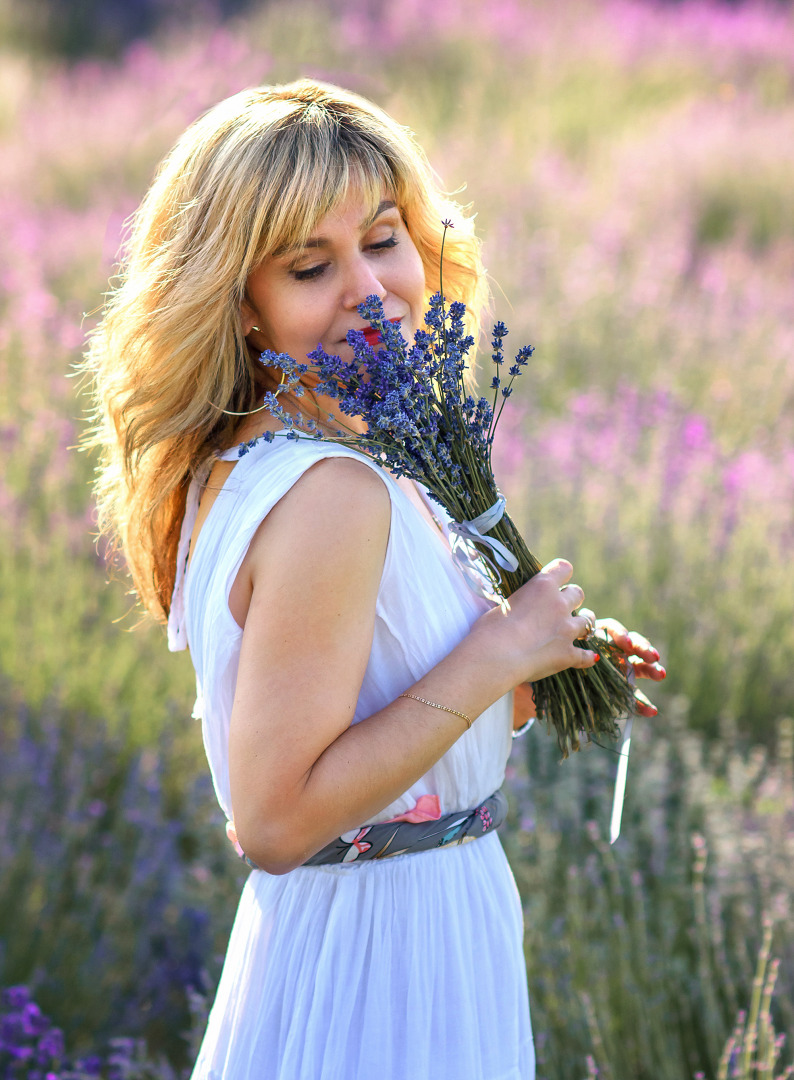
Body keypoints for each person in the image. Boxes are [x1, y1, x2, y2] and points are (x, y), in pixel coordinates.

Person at [84, 78, 665, 1080]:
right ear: (241, 307)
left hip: (382, 931)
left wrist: (531, 669)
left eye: (383, 238)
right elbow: (273, 821)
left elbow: (365, 714)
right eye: (310, 265)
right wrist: (490, 655)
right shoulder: (332, 492)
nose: (366, 285)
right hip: (385, 959)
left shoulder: (273, 461)